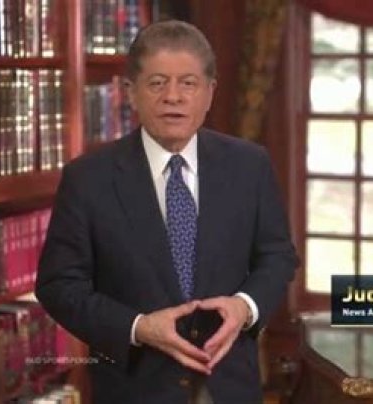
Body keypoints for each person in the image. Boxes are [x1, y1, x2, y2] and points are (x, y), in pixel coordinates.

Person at [35, 20, 298, 403]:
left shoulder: (249, 165)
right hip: (134, 389)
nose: (172, 96)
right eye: (157, 83)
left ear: (209, 93)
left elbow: (278, 256)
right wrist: (138, 327)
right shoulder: (88, 178)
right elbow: (58, 285)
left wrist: (245, 307)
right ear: (131, 93)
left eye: (188, 83)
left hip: (230, 386)